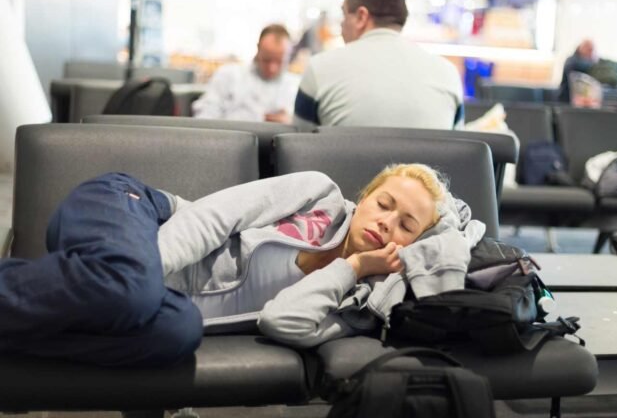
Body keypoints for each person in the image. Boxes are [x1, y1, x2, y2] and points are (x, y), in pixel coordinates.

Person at [0, 164, 485, 365]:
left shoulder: (358, 302)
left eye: (406, 225)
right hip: (130, 213)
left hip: (148, 297)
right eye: (384, 203)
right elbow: (214, 216)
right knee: (133, 291)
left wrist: (352, 269)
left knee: (180, 332)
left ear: (412, 244)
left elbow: (280, 320)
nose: (387, 223)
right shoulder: (318, 195)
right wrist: (140, 278)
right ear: (365, 196)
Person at [293, 0, 465, 132]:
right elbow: (458, 154)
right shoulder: (448, 74)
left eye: (344, 15)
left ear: (361, 17)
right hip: (423, 173)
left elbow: (298, 152)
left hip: (343, 172)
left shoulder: (320, 68)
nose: (341, 25)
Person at [193, 24, 300, 124]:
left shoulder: (297, 87)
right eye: (267, 60)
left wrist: (292, 123)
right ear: (258, 48)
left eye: (279, 61)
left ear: (289, 56)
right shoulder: (229, 75)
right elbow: (205, 116)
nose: (272, 68)